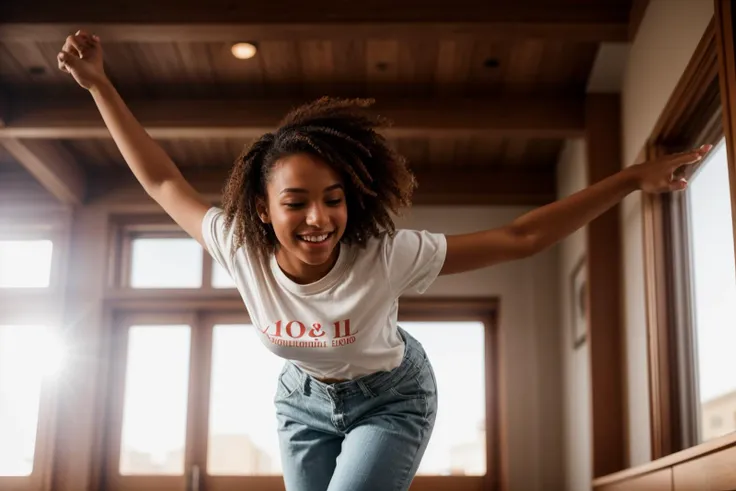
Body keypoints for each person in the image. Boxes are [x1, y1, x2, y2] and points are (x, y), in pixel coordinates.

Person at [57, 30, 711, 491]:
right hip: (299, 400)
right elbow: (162, 182)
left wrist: (631, 178)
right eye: (296, 202)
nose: (319, 218)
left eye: (334, 199)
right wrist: (100, 85)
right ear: (261, 209)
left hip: (391, 398)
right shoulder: (238, 247)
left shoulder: (385, 255)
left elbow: (521, 238)